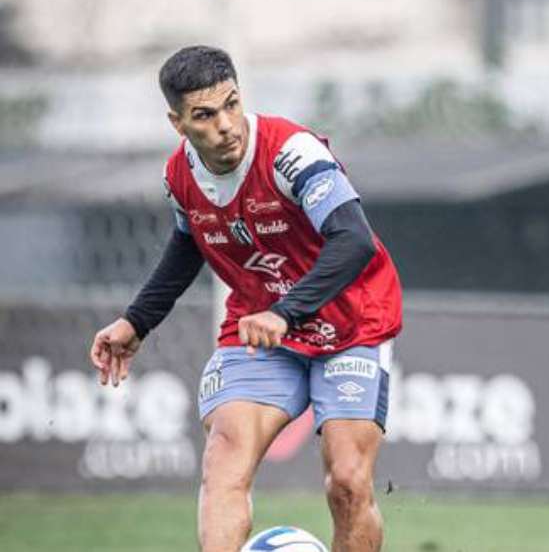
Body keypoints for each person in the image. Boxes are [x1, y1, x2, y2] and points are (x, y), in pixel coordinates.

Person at [88, 45, 402, 552]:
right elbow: (188, 244)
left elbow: (355, 241)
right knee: (224, 458)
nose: (226, 125)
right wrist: (136, 321)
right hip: (259, 330)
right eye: (205, 116)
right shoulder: (180, 176)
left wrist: (286, 311)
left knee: (347, 480)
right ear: (178, 123)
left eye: (231, 104)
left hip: (351, 325)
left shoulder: (292, 153)